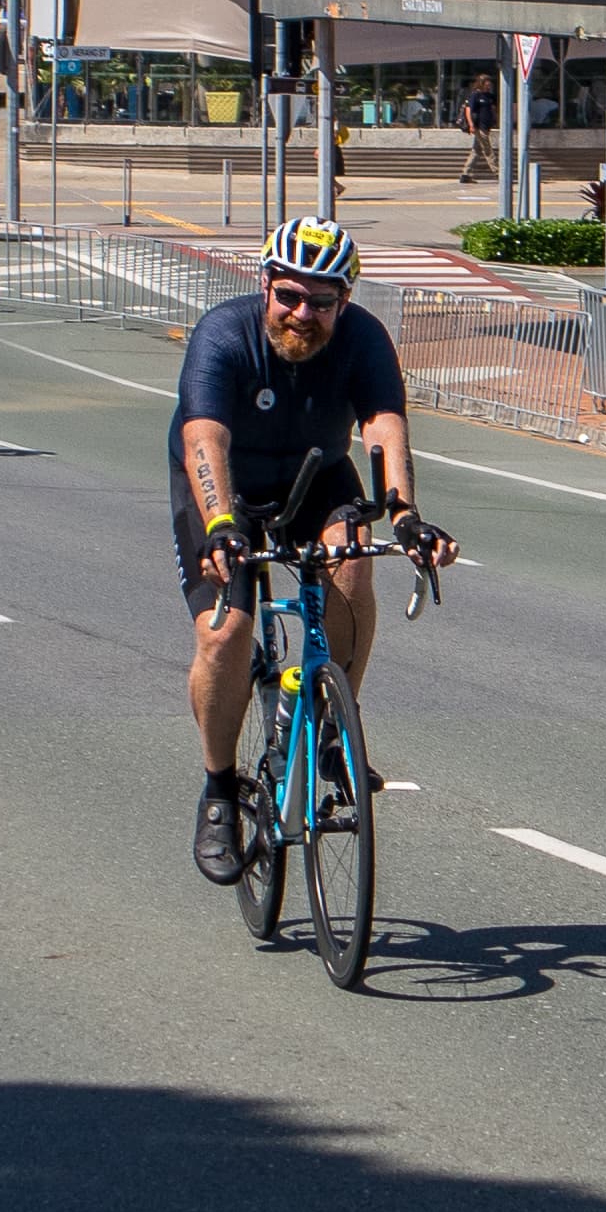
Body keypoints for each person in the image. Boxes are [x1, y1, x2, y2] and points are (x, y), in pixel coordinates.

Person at [171, 214, 457, 885]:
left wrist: (407, 516)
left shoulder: (361, 340)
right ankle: (218, 790)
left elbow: (383, 425)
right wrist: (219, 524)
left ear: (344, 301)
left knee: (352, 570)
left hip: (316, 476)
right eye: (289, 297)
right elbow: (202, 439)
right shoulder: (224, 334)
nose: (302, 313)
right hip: (226, 487)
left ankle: (331, 728)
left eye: (321, 301)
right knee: (225, 634)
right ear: (263, 284)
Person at [458, 69, 498, 184]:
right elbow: (468, 110)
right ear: (481, 83)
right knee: (487, 149)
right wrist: (471, 125)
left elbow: (493, 110)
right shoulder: (475, 95)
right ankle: (498, 172)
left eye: (489, 82)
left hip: (486, 126)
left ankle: (466, 173)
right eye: (487, 82)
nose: (489, 84)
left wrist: (495, 119)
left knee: (476, 151)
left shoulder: (490, 96)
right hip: (479, 127)